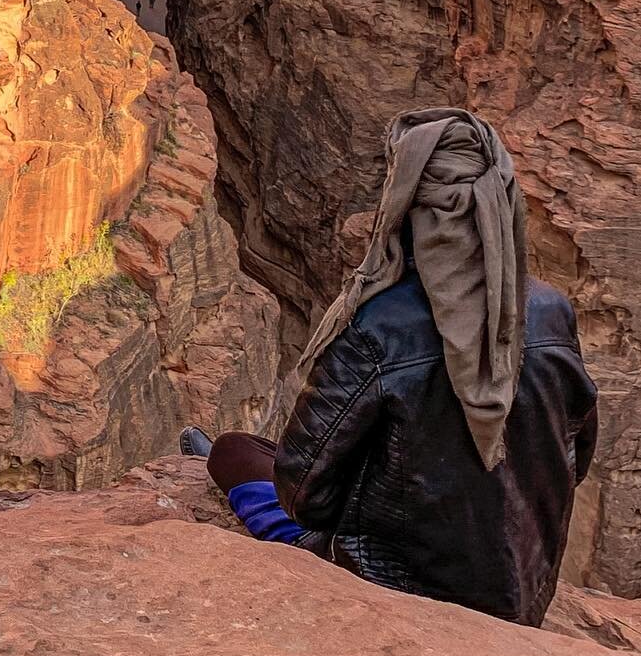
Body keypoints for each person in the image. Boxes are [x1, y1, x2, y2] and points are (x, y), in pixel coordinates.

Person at [181, 107, 597, 626]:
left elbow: (305, 493)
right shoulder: (552, 312)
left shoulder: (379, 327)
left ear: (405, 204)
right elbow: (575, 459)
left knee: (234, 452)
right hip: (522, 594)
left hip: (391, 587)